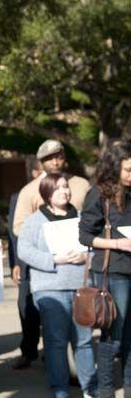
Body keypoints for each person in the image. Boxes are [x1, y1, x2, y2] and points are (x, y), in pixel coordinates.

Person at [18, 174, 97, 398]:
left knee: (84, 341)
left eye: (66, 186)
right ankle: (60, 390)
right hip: (50, 289)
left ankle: (90, 389)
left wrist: (86, 258)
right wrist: (54, 260)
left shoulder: (83, 218)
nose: (65, 191)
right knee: (56, 342)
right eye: (58, 188)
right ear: (47, 193)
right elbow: (24, 251)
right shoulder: (34, 221)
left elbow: (97, 248)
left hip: (81, 287)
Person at [79, 142, 131, 398]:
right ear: (114, 168)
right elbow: (85, 236)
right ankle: (106, 390)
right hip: (114, 271)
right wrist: (117, 243)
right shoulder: (99, 194)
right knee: (114, 335)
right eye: (128, 170)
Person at [8, 156, 43, 369]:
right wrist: (16, 263)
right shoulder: (20, 197)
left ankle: (54, 352)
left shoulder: (64, 195)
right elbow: (14, 235)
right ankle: (28, 351)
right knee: (27, 308)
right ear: (34, 174)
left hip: (56, 263)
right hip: (27, 262)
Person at [13, 139, 90, 236]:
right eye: (49, 159)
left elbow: (94, 215)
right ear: (41, 162)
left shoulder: (82, 184)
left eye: (59, 157)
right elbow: (19, 228)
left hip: (81, 245)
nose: (55, 163)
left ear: (65, 158)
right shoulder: (28, 191)